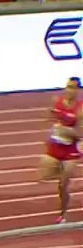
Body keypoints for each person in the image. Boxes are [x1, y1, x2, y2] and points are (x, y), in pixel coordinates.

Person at [39, 76, 80, 223]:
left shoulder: (80, 109)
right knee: (43, 176)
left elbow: (80, 133)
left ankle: (62, 215)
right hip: (55, 146)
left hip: (70, 151)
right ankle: (64, 176)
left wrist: (65, 131)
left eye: (73, 87)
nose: (69, 90)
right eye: (68, 86)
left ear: (78, 90)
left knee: (63, 185)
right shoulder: (56, 101)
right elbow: (47, 118)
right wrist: (51, 121)